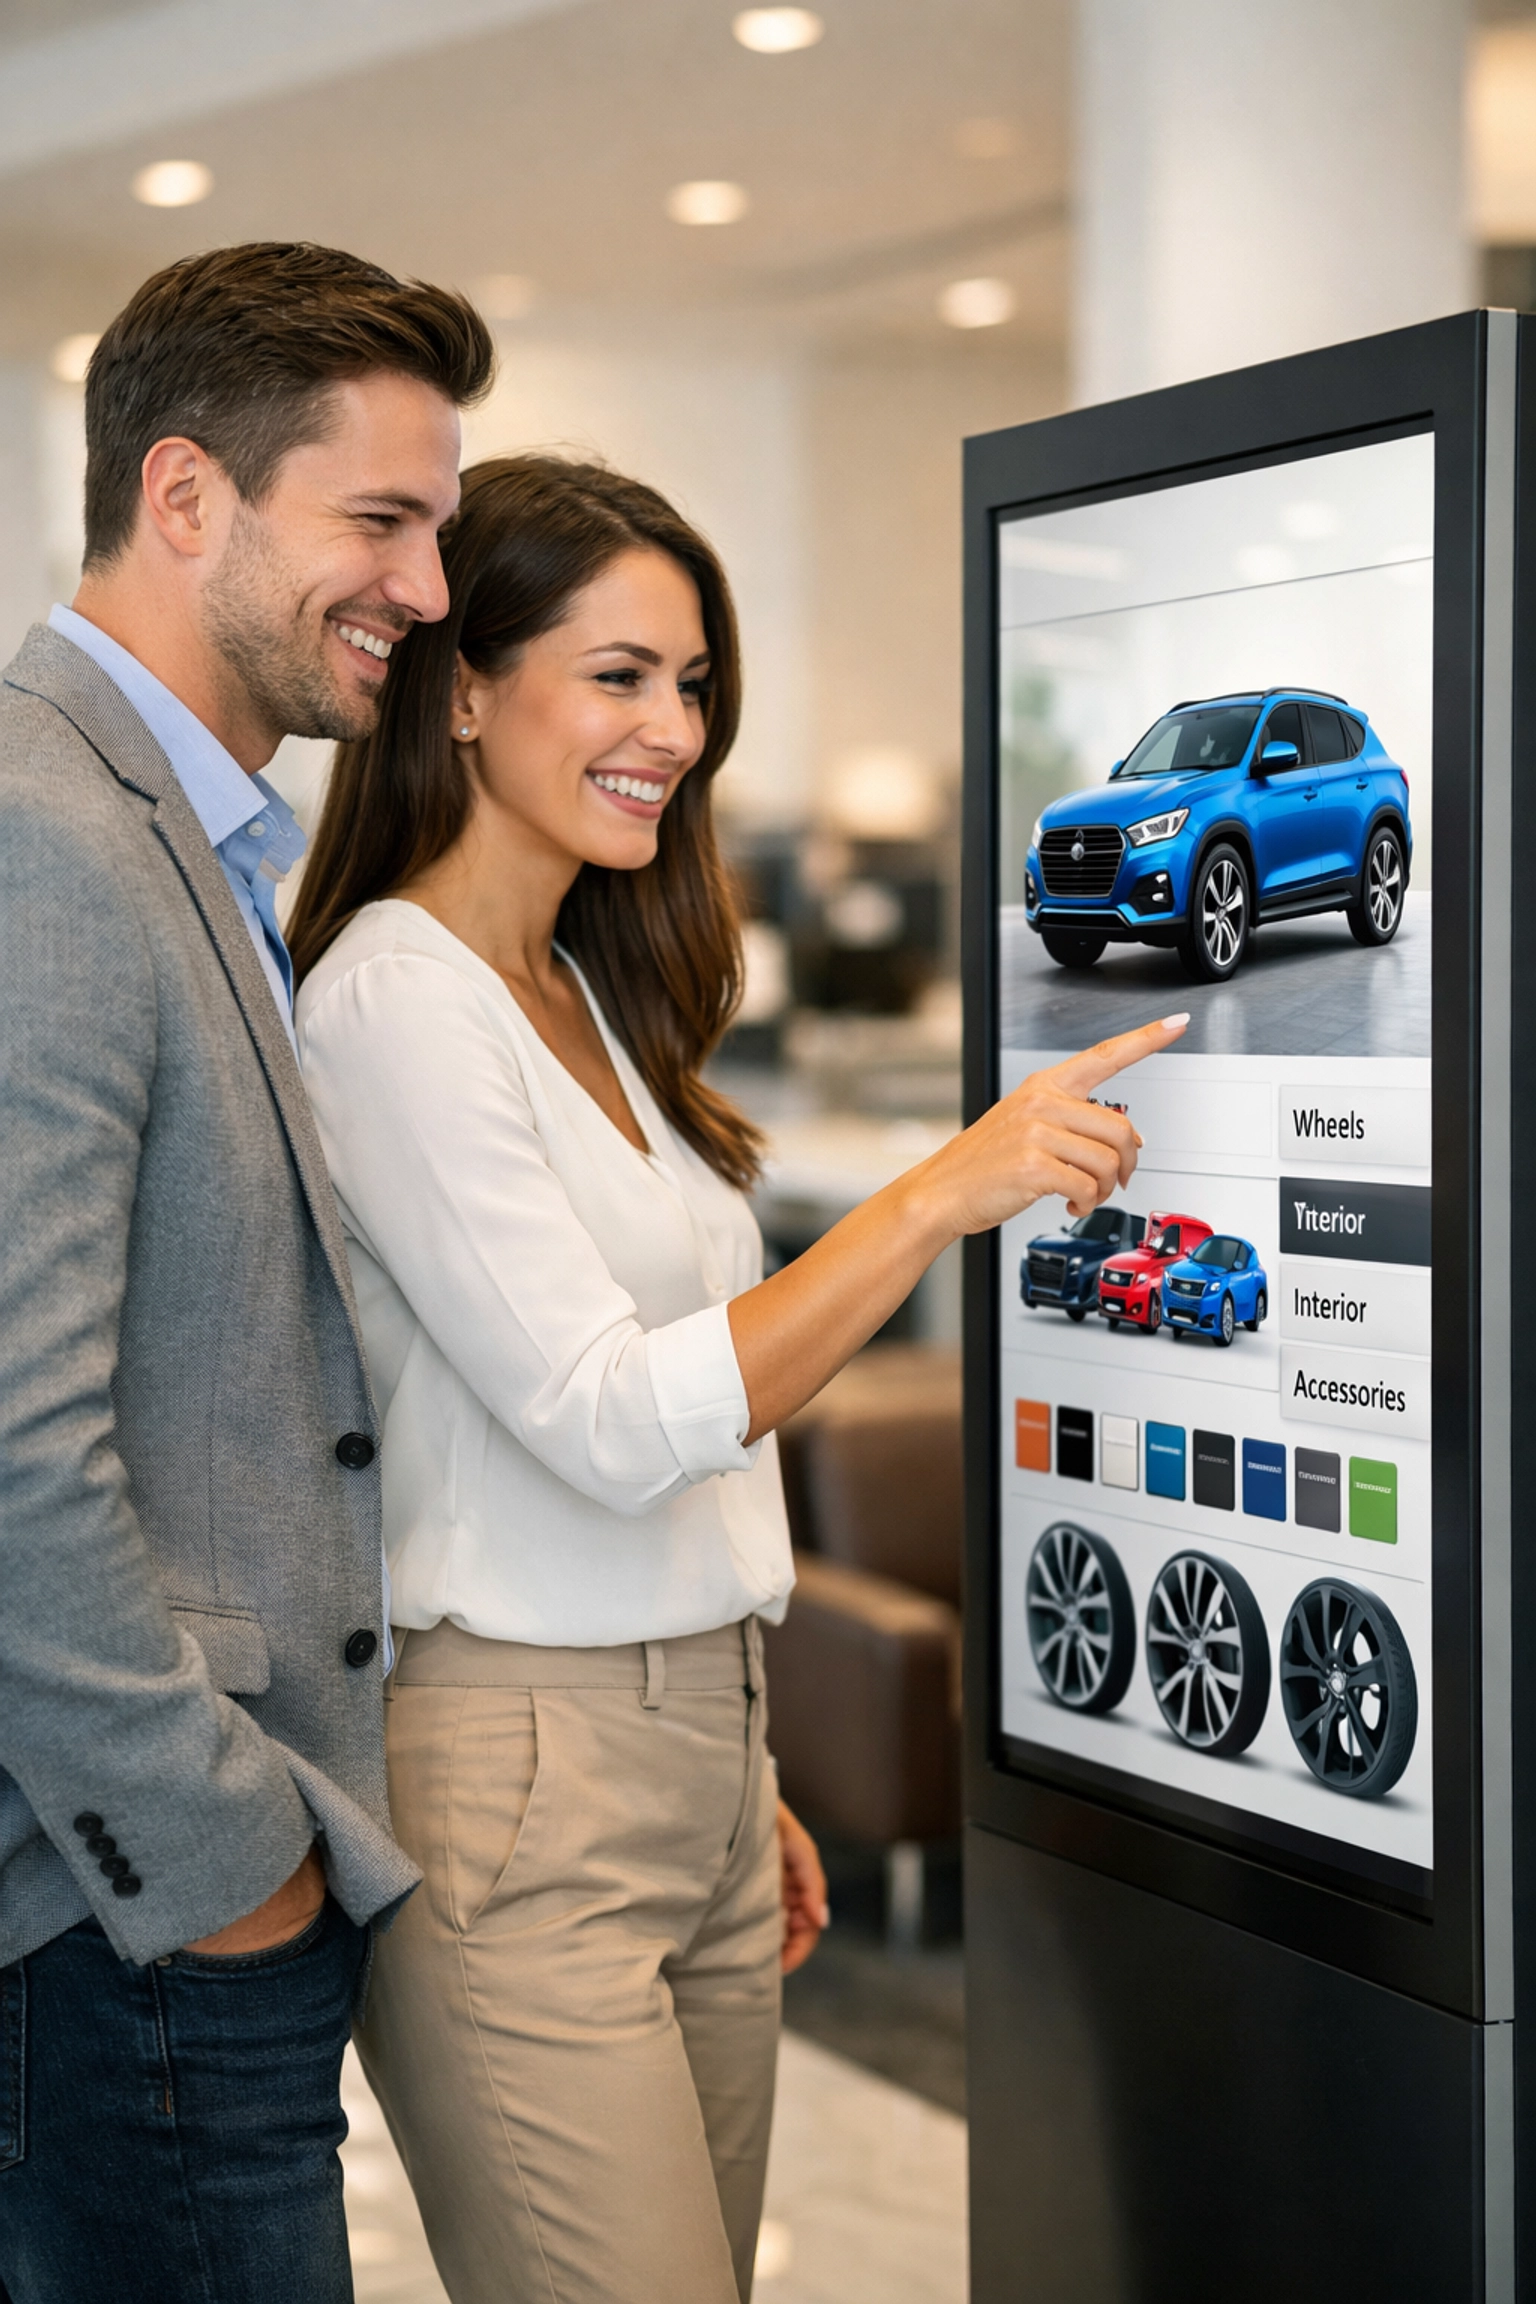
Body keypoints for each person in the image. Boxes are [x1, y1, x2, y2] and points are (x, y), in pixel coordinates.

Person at [287, 453, 1185, 2304]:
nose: (672, 730)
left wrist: (731, 1754)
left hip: (696, 1748)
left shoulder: (599, 993)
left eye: (692, 685)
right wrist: (948, 1191)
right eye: (618, 674)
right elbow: (621, 1417)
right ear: (463, 685)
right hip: (513, 1774)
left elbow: (683, 1440)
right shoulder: (392, 998)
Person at [0, 243, 493, 2302]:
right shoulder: (49, 833)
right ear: (185, 497)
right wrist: (220, 1865)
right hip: (127, 1923)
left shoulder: (182, 835)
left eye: (441, 528)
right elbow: (15, 1447)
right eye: (379, 521)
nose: (433, 588)